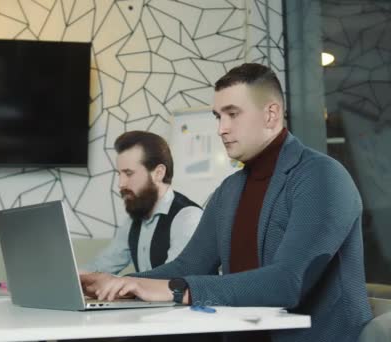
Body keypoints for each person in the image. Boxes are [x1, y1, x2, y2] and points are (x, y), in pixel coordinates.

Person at [81, 63, 373, 342]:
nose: (221, 128)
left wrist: (173, 289)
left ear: (271, 114)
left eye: (232, 114)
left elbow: (287, 283)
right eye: (218, 116)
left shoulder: (321, 176)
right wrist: (119, 285)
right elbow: (189, 265)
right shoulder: (230, 189)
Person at [81, 131, 203, 275]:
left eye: (129, 173)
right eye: (119, 174)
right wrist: (69, 276)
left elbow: (174, 279)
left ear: (158, 173)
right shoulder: (134, 220)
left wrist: (122, 283)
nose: (120, 183)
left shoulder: (188, 218)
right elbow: (102, 265)